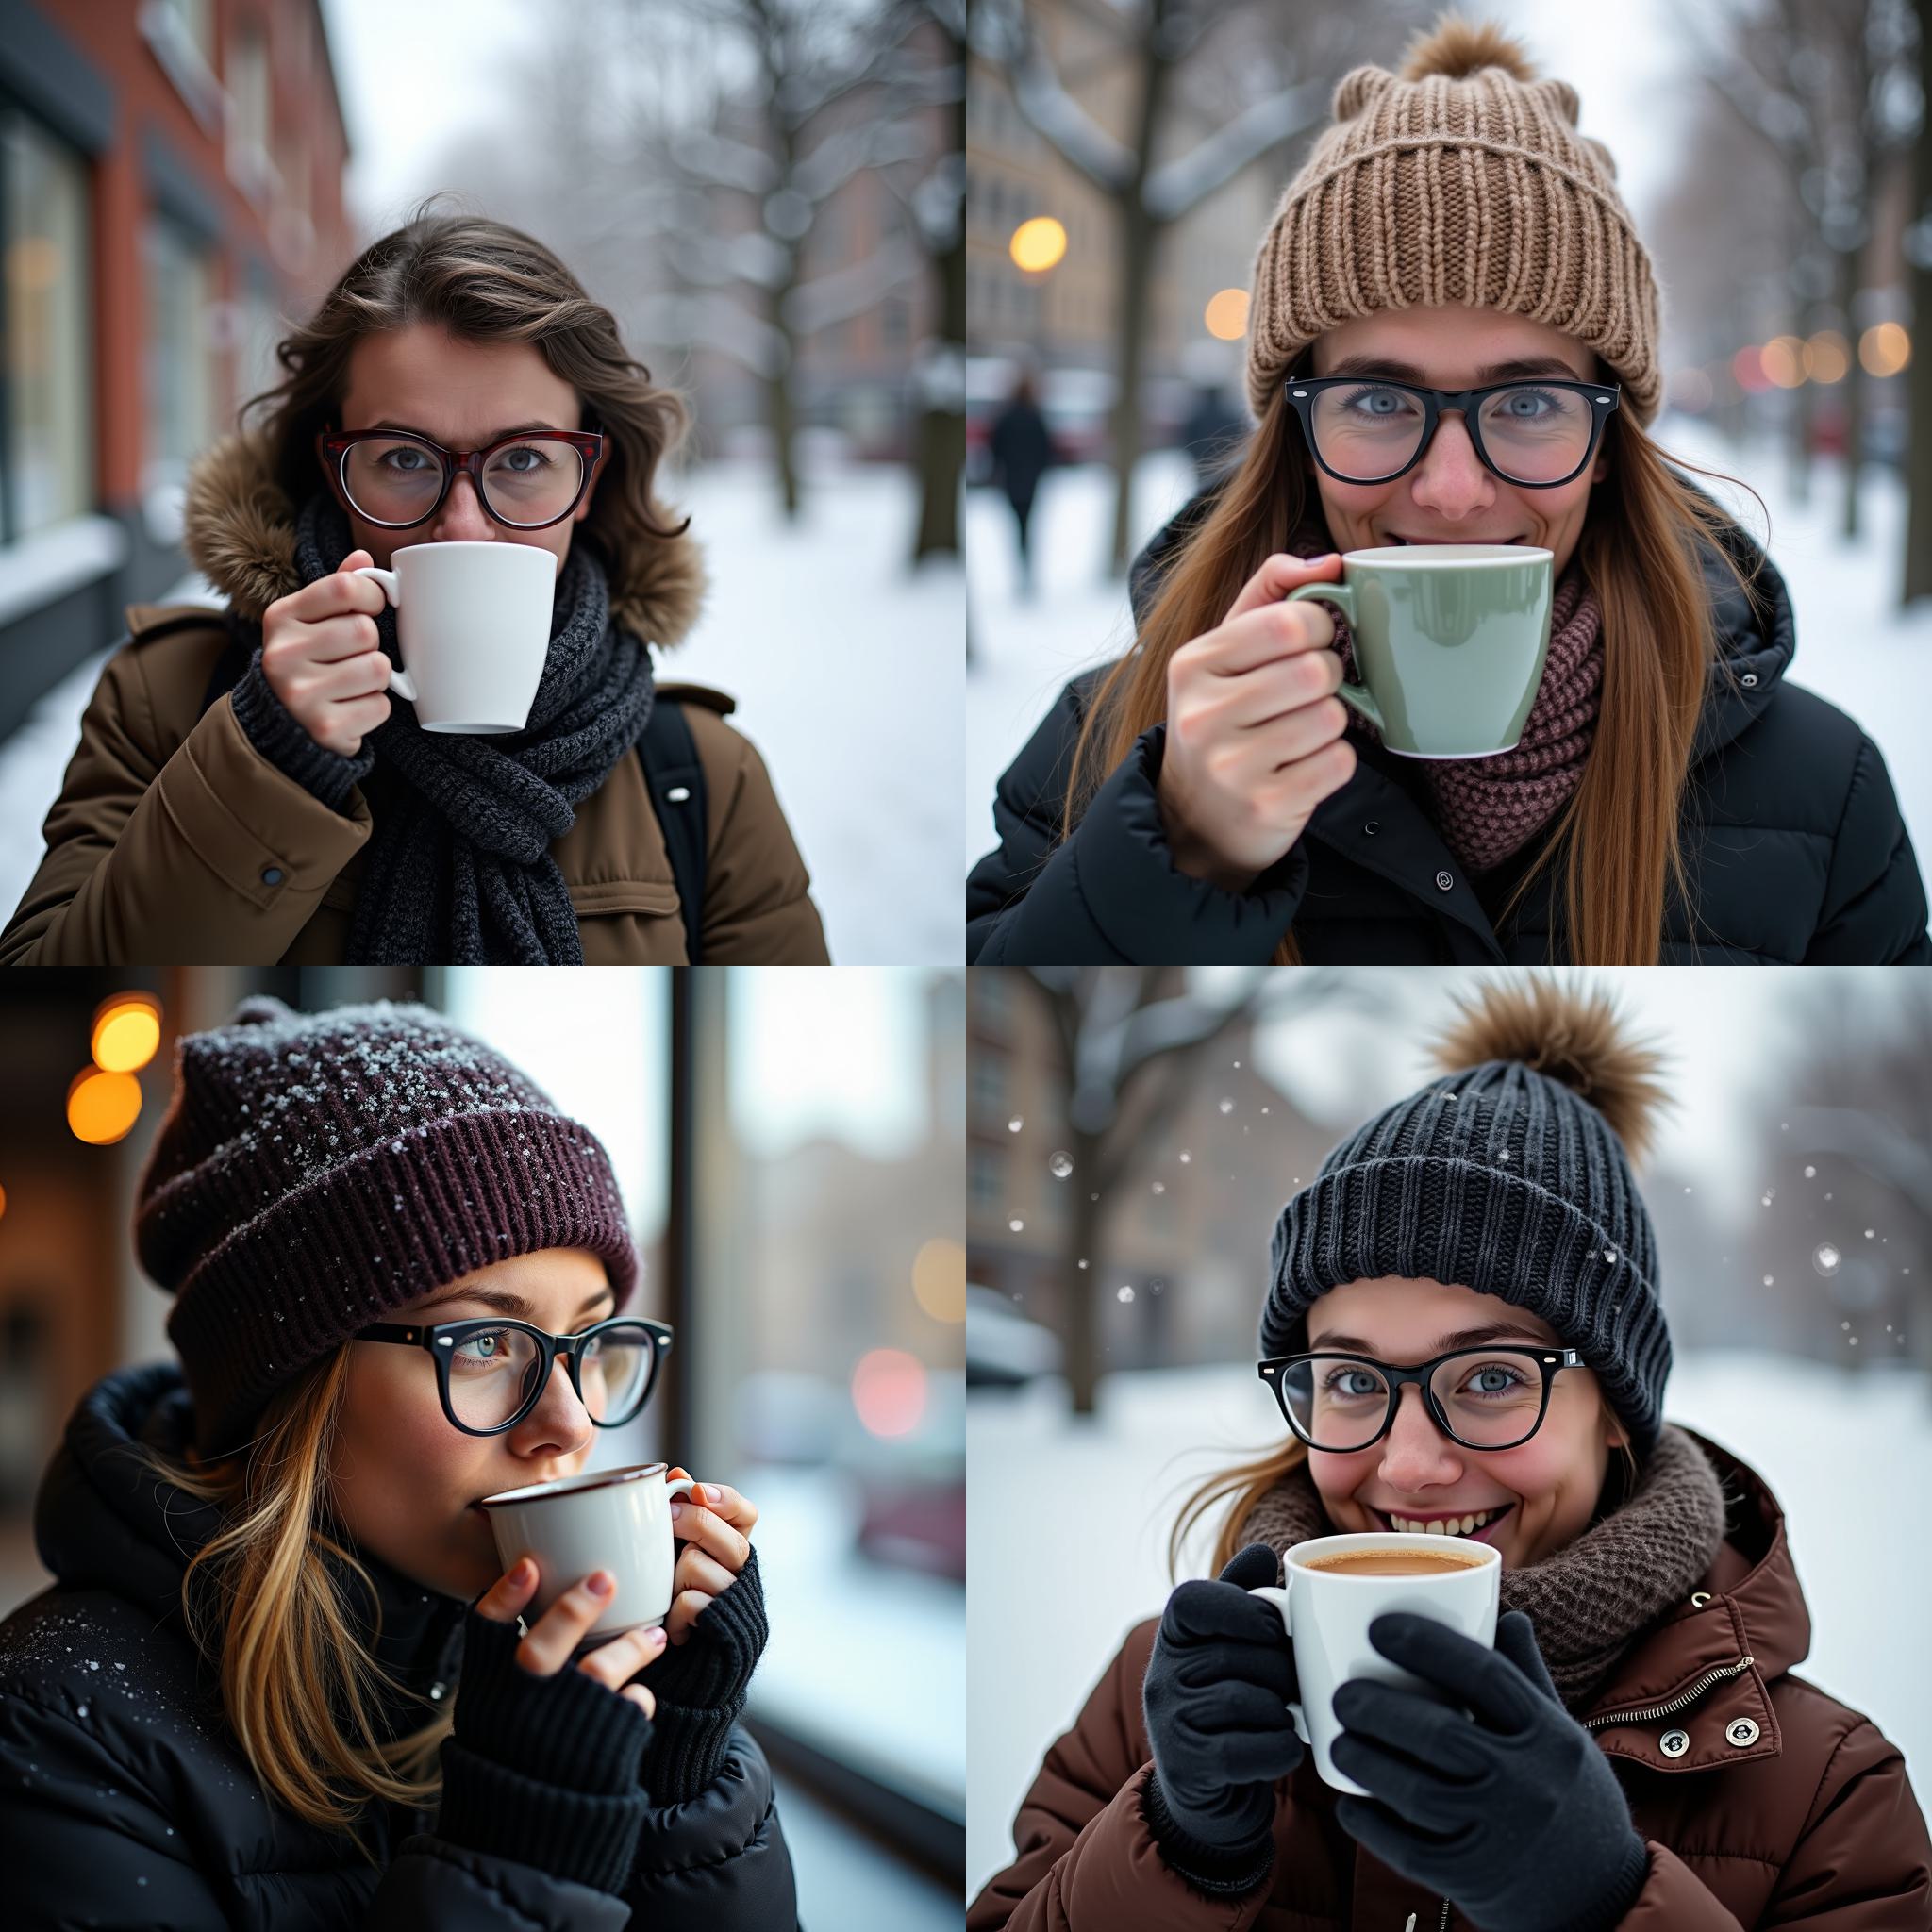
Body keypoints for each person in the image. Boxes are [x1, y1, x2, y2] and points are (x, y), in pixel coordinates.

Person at [968, 978, 1932, 1930]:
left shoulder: (1822, 1790)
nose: (1410, 1465)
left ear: (1613, 1409)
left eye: (1487, 1377)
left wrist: (1599, 1901)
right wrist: (1175, 1848)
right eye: (1350, 1381)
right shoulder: (1162, 1702)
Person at [967, 14, 1927, 966]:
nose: (1454, 489)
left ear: (1605, 444)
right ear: (1298, 433)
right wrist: (1177, 849)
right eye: (1379, 398)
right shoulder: (1106, 747)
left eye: (1527, 403)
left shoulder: (1824, 793)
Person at [0, 996, 793, 1929]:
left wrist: (681, 1773)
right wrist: (518, 1848)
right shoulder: (55, 1731)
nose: (569, 1422)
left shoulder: (516, 1653)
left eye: (585, 1338)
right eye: (482, 1342)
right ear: (296, 1380)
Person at [4, 199, 829, 966]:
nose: (464, 523)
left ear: (591, 478)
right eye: (403, 458)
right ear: (332, 467)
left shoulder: (704, 778)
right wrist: (268, 760)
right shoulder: (171, 701)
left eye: (524, 460)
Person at [989, 375, 1055, 597]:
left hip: (1011, 481)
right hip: (1030, 481)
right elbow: (1046, 450)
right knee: (1027, 526)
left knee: (1018, 527)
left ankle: (1022, 570)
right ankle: (1027, 571)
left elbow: (995, 449)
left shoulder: (1005, 418)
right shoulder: (1035, 417)